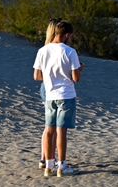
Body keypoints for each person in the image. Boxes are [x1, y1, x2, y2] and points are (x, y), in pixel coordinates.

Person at [33, 19, 83, 177]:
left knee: (49, 130)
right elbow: (76, 78)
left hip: (50, 95)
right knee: (61, 131)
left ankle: (48, 165)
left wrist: (52, 75)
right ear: (66, 34)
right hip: (66, 95)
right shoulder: (70, 52)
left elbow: (37, 76)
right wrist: (79, 69)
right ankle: (61, 165)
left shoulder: (43, 50)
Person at [39, 17, 62, 172]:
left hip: (45, 87)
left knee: (49, 126)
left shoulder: (45, 49)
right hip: (54, 89)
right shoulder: (57, 49)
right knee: (54, 127)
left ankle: (44, 158)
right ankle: (50, 159)